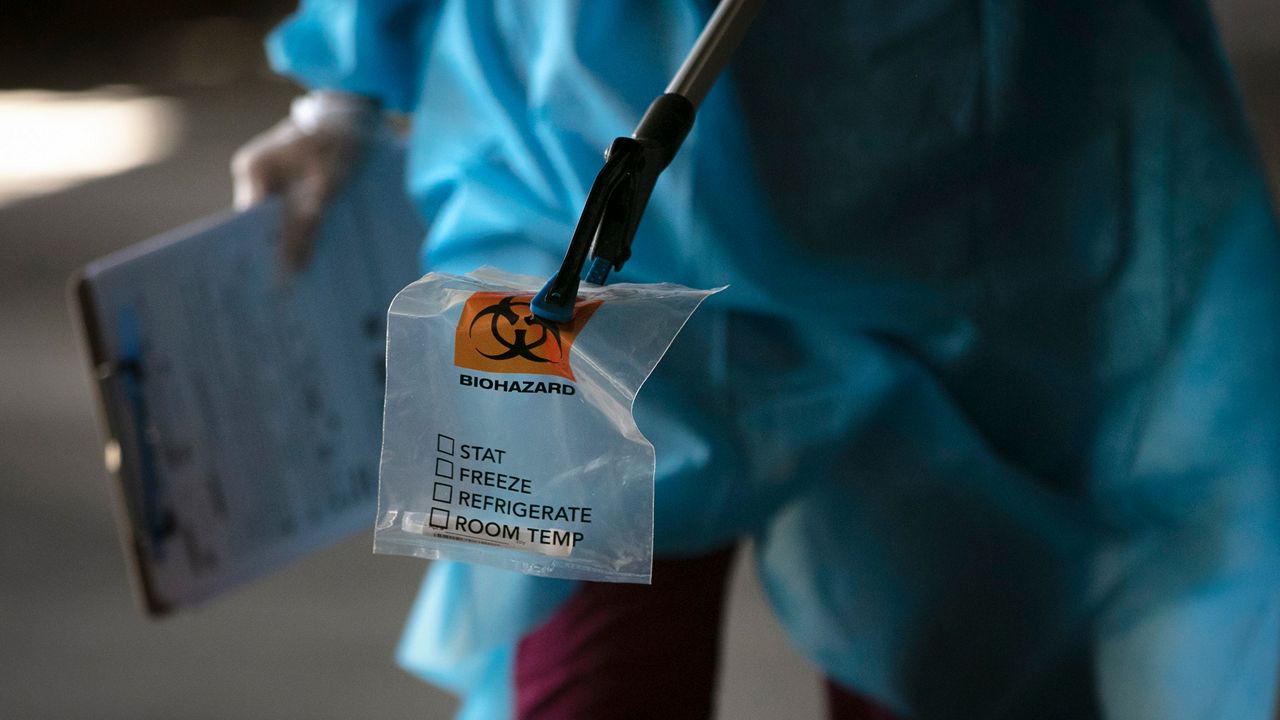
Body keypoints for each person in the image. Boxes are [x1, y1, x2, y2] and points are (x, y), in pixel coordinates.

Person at [233, 1, 1280, 718]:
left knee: (943, 655)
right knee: (589, 670)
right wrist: (340, 89)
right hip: (599, 163)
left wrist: (345, 83)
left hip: (905, 164)